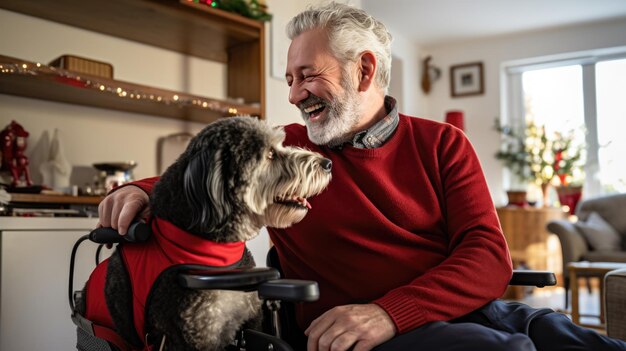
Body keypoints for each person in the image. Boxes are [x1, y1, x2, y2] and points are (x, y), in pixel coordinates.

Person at [98, 3, 626, 351]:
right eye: (289, 79)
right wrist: (138, 188)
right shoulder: (284, 149)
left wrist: (391, 312)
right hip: (355, 334)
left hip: (458, 310)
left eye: (308, 75)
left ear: (365, 71)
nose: (294, 94)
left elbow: (487, 256)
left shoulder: (443, 143)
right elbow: (207, 169)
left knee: (575, 340)